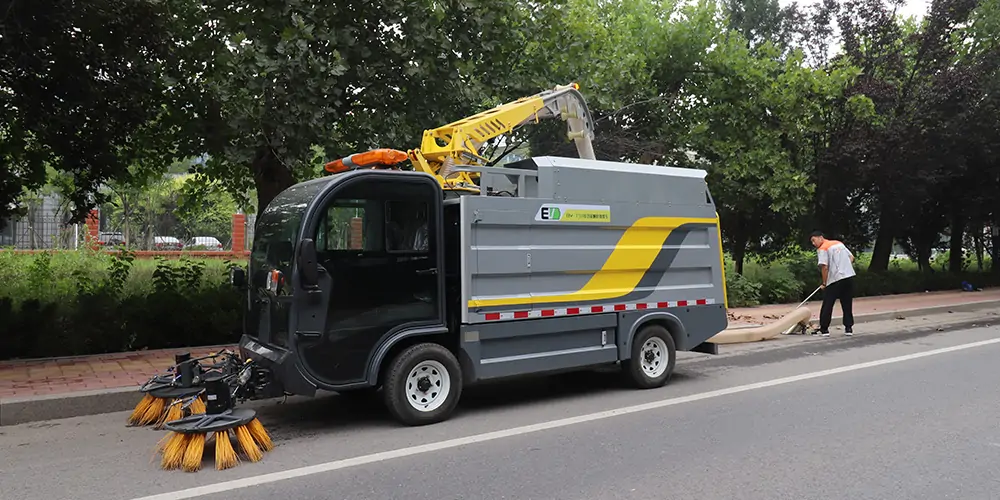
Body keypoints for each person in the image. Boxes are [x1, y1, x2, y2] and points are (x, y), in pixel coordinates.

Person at [809, 231, 856, 337]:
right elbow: (851, 257)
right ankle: (848, 328)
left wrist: (824, 283)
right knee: (847, 303)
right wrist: (844, 266)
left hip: (834, 279)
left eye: (814, 240)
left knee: (828, 304)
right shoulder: (839, 243)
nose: (813, 243)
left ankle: (824, 329)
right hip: (848, 276)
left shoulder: (823, 248)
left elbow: (824, 267)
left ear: (821, 238)